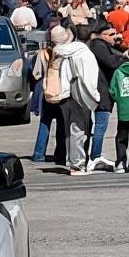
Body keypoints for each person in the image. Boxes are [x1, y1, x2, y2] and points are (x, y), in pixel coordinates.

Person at [50, 25, 100, 176]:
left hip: (64, 95)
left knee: (68, 130)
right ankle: (77, 165)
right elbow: (89, 76)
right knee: (79, 129)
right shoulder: (83, 52)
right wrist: (94, 96)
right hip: (80, 94)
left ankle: (71, 161)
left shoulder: (58, 53)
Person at [87, 20, 123, 172]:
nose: (115, 37)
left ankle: (96, 154)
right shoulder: (98, 46)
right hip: (101, 91)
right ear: (103, 35)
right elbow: (110, 62)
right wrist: (124, 56)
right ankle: (95, 155)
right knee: (100, 124)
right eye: (112, 34)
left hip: (104, 90)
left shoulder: (104, 46)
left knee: (101, 124)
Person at [31, 40, 67, 167]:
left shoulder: (42, 54)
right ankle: (60, 155)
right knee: (62, 124)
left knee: (44, 123)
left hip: (47, 91)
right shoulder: (65, 53)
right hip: (61, 92)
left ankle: (39, 153)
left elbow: (36, 74)